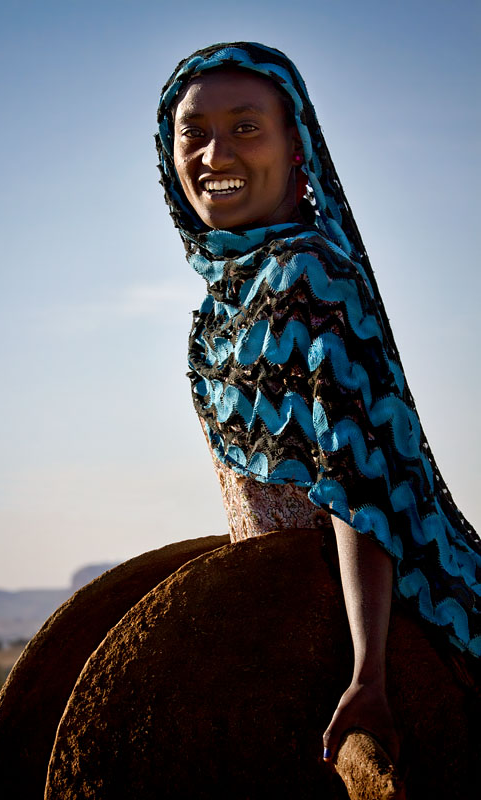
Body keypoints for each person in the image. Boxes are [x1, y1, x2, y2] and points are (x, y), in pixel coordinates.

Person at [156, 41, 480, 766]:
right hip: (294, 617)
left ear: (297, 146)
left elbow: (355, 482)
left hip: (384, 620)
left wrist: (368, 671)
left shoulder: (307, 273)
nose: (214, 154)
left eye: (246, 127)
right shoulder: (227, 296)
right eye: (192, 132)